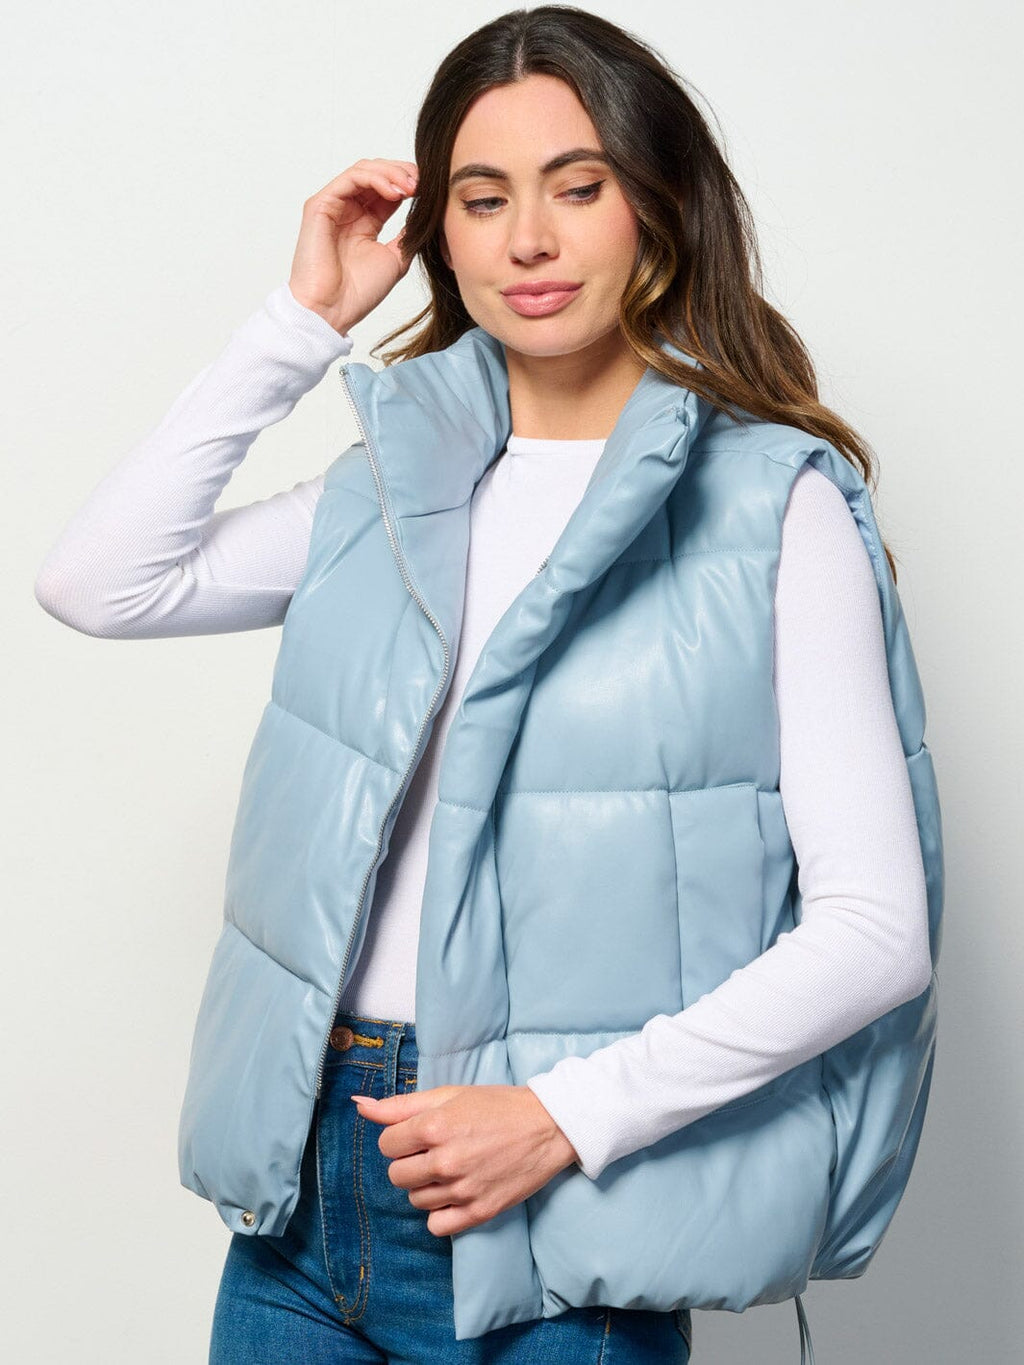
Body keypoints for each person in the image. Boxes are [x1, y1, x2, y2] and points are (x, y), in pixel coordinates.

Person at [34, 6, 943, 1363]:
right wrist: (302, 322)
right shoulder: (389, 488)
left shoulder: (774, 505)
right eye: (482, 197)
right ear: (439, 238)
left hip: (556, 1204)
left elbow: (876, 932)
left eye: (578, 188)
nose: (528, 239)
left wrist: (563, 1117)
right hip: (308, 1184)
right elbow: (101, 581)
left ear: (659, 208)